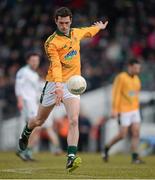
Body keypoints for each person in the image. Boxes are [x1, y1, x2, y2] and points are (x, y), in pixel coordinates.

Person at [18, 7, 108, 171]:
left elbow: (88, 31)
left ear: (71, 21)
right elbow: (56, 66)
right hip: (54, 83)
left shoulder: (75, 33)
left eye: (67, 23)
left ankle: (71, 156)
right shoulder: (51, 43)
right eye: (61, 23)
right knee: (39, 120)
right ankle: (26, 132)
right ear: (56, 22)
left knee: (74, 120)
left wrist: (99, 28)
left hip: (73, 84)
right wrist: (58, 87)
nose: (64, 26)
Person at [102, 59, 144, 164]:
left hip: (134, 109)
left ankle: (135, 157)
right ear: (129, 67)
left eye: (138, 68)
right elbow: (116, 93)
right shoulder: (121, 77)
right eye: (135, 68)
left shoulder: (137, 79)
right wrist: (114, 110)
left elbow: (135, 94)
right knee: (122, 135)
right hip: (124, 110)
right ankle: (107, 147)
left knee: (136, 132)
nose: (137, 70)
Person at [15, 52, 41, 161]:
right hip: (26, 102)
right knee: (35, 126)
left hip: (33, 104)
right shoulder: (23, 71)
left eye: (37, 61)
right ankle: (23, 150)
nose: (35, 63)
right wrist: (20, 100)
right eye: (33, 60)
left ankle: (26, 151)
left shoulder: (35, 74)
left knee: (36, 128)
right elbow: (18, 86)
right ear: (28, 61)